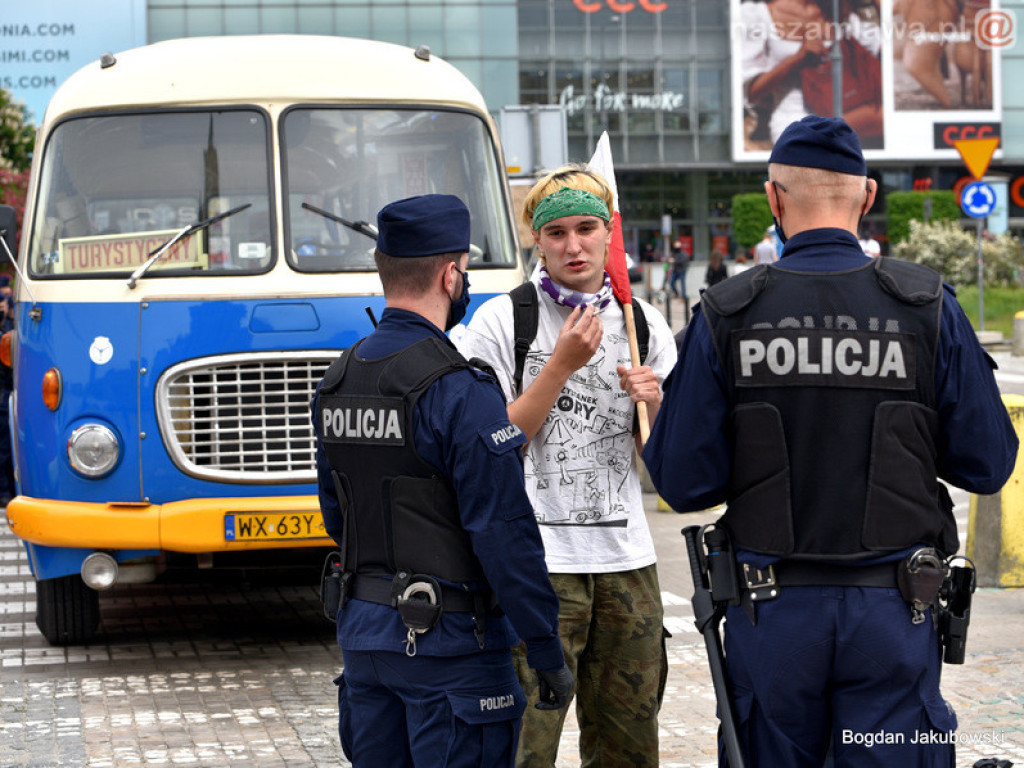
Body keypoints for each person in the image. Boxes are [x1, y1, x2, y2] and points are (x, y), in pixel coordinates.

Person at [643, 115, 1018, 767]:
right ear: (869, 197)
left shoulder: (726, 313)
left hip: (771, 618)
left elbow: (682, 484)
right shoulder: (927, 307)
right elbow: (987, 463)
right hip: (894, 616)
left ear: (773, 199)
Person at [311, 194, 573, 767]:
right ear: (451, 274)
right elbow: (503, 533)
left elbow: (338, 517)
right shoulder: (460, 390)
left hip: (365, 644)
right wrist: (547, 648)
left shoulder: (339, 379)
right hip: (454, 653)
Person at [456, 166, 678, 767]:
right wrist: (556, 368)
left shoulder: (644, 324)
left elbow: (665, 469)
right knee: (526, 746)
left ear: (609, 234)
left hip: (628, 563)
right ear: (536, 240)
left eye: (587, 228)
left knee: (628, 745)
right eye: (556, 232)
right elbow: (489, 448)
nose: (573, 246)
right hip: (537, 567)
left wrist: (654, 404)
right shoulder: (502, 323)